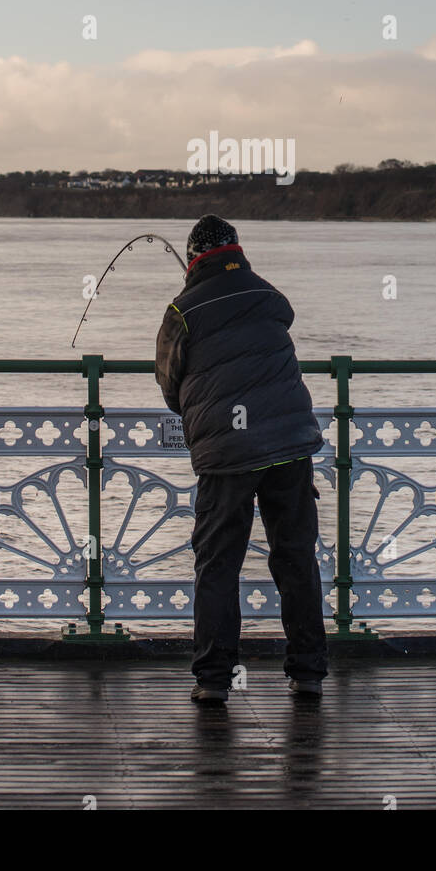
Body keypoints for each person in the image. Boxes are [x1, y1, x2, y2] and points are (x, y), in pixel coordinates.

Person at [155, 214, 328, 705]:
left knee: (217, 564)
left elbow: (170, 385)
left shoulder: (181, 310)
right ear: (236, 250)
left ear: (192, 258)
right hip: (289, 444)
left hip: (226, 452)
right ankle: (308, 671)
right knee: (295, 558)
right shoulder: (270, 297)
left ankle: (213, 678)